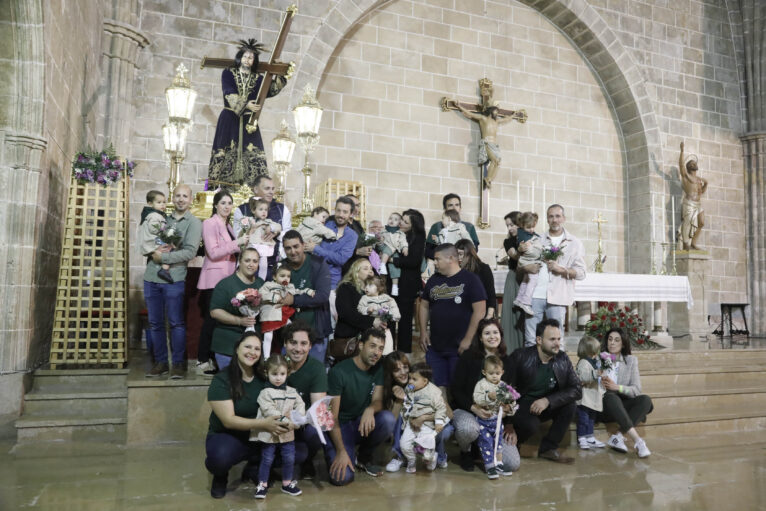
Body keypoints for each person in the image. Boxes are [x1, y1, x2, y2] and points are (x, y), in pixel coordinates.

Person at [204, 332, 293, 499]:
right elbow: (228, 421)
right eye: (248, 347)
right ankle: (220, 474)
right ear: (237, 349)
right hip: (229, 435)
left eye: (257, 348)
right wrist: (264, 424)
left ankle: (255, 466)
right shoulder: (222, 380)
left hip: (259, 436)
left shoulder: (264, 377)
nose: (252, 352)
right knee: (220, 458)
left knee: (298, 452)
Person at [208, 39, 287, 187]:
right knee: (222, 152)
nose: (247, 59)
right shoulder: (228, 73)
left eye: (251, 57)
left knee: (254, 155)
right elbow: (228, 92)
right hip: (229, 118)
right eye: (245, 56)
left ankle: (255, 190)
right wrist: (245, 105)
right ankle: (213, 190)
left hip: (249, 122)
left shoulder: (258, 79)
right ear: (240, 57)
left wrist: (279, 73)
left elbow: (270, 90)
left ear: (254, 61)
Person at [144, 184, 203, 378]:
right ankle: (160, 362)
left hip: (174, 279)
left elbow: (190, 252)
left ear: (190, 200)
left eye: (184, 196)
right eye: (177, 195)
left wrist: (164, 259)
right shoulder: (162, 217)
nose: (180, 199)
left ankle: (178, 364)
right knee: (155, 323)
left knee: (176, 322)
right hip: (151, 276)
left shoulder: (194, 223)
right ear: (172, 198)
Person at [324, 328, 396, 485]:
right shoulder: (339, 372)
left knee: (387, 419)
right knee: (342, 478)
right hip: (340, 427)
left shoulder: (378, 367)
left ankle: (364, 456)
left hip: (360, 424)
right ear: (361, 345)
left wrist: (370, 410)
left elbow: (377, 400)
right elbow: (331, 418)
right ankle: (336, 451)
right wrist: (341, 452)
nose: (376, 352)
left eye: (380, 348)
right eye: (372, 346)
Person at [505, 319, 582, 464]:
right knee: (531, 425)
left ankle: (548, 449)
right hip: (521, 406)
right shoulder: (520, 356)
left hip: (545, 405)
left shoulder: (562, 359)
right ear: (539, 340)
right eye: (552, 339)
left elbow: (576, 389)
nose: (557, 343)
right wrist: (508, 423)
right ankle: (514, 443)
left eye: (559, 339)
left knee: (570, 406)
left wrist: (548, 401)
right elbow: (505, 389)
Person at [450, 318, 520, 473]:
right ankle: (466, 452)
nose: (492, 336)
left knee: (512, 464)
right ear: (480, 338)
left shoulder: (508, 362)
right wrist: (474, 408)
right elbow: (456, 389)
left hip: (494, 417)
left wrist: (509, 421)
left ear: (501, 335)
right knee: (468, 429)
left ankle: (483, 450)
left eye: (495, 332)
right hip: (468, 409)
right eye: (487, 333)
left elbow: (512, 392)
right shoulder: (468, 357)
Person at [197, 190, 250, 375]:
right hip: (213, 279)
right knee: (211, 320)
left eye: (229, 203)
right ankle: (202, 360)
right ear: (216, 205)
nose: (227, 206)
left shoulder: (228, 226)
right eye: (223, 203)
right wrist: (238, 243)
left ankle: (215, 359)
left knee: (220, 322)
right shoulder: (210, 223)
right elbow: (212, 252)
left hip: (227, 279)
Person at [419, 244, 486, 389]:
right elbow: (424, 305)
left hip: (459, 347)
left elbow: (480, 311)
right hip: (436, 347)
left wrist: (468, 339)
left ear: (450, 258)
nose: (434, 263)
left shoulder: (471, 279)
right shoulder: (433, 280)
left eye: (437, 259)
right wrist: (423, 331)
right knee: (436, 388)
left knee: (458, 389)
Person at [519, 204, 586, 346]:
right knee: (531, 339)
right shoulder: (537, 239)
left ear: (564, 218)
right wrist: (527, 266)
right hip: (535, 294)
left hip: (558, 296)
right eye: (551, 216)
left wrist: (561, 270)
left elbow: (581, 273)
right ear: (547, 220)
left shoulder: (574, 243)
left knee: (557, 340)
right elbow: (522, 262)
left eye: (558, 216)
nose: (554, 220)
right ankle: (531, 368)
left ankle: (557, 368)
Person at [383, 352, 454, 472]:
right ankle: (400, 456)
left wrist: (423, 418)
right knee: (403, 413)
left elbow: (449, 414)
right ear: (390, 374)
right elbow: (392, 427)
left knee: (445, 431)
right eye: (396, 370)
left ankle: (435, 454)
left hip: (432, 425)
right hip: (411, 428)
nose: (403, 373)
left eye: (405, 367)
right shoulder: (390, 389)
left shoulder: (425, 382)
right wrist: (400, 400)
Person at [252, 354, 305, 499]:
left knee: (289, 458)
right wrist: (284, 420)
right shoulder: (265, 393)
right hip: (270, 433)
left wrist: (299, 416)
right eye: (274, 374)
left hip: (288, 433)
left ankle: (287, 483)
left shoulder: (291, 391)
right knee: (267, 458)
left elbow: (300, 403)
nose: (278, 378)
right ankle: (262, 484)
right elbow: (268, 409)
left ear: (287, 373)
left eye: (282, 374)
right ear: (266, 373)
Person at [282, 321, 328, 479]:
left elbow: (318, 409)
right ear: (285, 344)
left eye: (303, 343)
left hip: (303, 423)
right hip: (279, 422)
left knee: (317, 428)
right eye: (293, 342)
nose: (298, 348)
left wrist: (299, 420)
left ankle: (308, 458)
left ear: (310, 346)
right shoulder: (275, 365)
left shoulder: (316, 368)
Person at [599, 328, 653, 458]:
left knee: (646, 400)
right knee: (610, 396)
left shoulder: (631, 361)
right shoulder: (600, 359)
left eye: (617, 340)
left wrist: (618, 387)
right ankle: (638, 440)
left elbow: (636, 389)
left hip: (622, 405)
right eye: (610, 339)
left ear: (623, 344)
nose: (612, 343)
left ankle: (618, 436)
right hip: (604, 406)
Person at [281, 230, 332, 362]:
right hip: (289, 335)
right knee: (287, 375)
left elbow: (322, 296)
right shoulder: (281, 267)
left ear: (303, 245)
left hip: (315, 334)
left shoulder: (318, 264)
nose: (293, 251)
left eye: (296, 246)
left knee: (314, 375)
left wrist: (294, 300)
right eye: (288, 248)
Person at [209, 248, 264, 370]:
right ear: (240, 261)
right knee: (230, 384)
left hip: (253, 348)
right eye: (247, 260)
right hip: (228, 345)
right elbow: (215, 311)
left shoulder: (261, 284)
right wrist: (239, 321)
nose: (251, 264)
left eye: (255, 261)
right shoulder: (225, 284)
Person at [233, 175, 292, 279]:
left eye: (273, 189)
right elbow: (237, 238)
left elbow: (288, 235)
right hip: (248, 265)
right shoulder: (242, 210)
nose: (271, 192)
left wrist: (276, 232)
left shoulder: (282, 209)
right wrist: (251, 230)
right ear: (256, 189)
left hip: (274, 265)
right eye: (267, 188)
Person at [398, 362, 449, 473]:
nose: (410, 381)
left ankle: (431, 458)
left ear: (425, 381)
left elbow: (441, 408)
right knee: (404, 444)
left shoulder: (434, 392)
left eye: (414, 379)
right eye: (410, 378)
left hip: (427, 425)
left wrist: (439, 421)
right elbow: (407, 403)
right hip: (411, 423)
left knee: (425, 448)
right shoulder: (409, 389)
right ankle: (411, 461)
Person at [472, 355, 516, 479]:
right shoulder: (481, 384)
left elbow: (512, 399)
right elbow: (476, 398)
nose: (494, 376)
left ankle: (499, 463)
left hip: (497, 422)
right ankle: (490, 465)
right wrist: (488, 398)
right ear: (484, 372)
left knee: (499, 443)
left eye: (497, 373)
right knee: (486, 442)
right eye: (491, 373)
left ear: (502, 372)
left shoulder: (503, 386)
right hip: (484, 421)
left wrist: (509, 406)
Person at [332, 259, 385, 361]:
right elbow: (346, 314)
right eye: (365, 268)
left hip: (369, 340)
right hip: (349, 340)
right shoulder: (346, 287)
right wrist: (372, 321)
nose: (370, 271)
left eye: (371, 268)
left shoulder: (372, 290)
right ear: (356, 272)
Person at [389, 209, 426, 354]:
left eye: (405, 221)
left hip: (408, 283)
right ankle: (389, 351)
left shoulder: (418, 237)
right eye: (401, 220)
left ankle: (404, 353)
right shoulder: (396, 233)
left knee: (404, 320)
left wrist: (393, 260)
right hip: (393, 282)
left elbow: (413, 261)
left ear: (414, 225)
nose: (400, 223)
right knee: (390, 316)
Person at [258, 265, 314, 358]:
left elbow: (297, 291)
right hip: (271, 314)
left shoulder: (289, 286)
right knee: (268, 336)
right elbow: (260, 295)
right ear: (274, 277)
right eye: (282, 276)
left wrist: (307, 291)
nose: (286, 278)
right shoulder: (268, 285)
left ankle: (290, 353)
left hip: (283, 314)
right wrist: (273, 297)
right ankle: (266, 358)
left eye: (288, 276)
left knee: (292, 331)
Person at [306, 196, 358, 295]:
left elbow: (341, 259)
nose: (341, 215)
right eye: (338, 211)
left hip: (332, 280)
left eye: (345, 212)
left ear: (351, 214)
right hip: (312, 274)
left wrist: (316, 249)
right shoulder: (325, 224)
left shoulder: (352, 236)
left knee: (330, 309)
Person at [575, 335, 607, 450]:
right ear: (588, 350)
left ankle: (590, 436)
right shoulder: (583, 362)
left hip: (593, 397)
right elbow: (582, 377)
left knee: (591, 418)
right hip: (584, 398)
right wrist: (595, 374)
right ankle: (581, 437)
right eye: (594, 350)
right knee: (583, 418)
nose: (596, 353)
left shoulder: (594, 362)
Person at [500, 211, 525, 352]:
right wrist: (523, 249)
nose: (510, 228)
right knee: (512, 315)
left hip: (528, 278)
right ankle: (511, 349)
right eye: (508, 225)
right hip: (515, 278)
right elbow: (514, 256)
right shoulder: (508, 241)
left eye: (513, 224)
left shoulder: (531, 238)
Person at [425, 194, 479, 259]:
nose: (454, 208)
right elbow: (428, 251)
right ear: (445, 209)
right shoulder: (436, 226)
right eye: (450, 205)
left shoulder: (469, 227)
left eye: (457, 205)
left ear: (460, 208)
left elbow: (474, 250)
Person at [136, 190, 172, 283]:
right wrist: (165, 228)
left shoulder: (153, 214)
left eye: (164, 202)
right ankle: (164, 270)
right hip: (153, 241)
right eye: (159, 202)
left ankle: (162, 269)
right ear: (150, 203)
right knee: (169, 248)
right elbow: (154, 229)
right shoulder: (154, 215)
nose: (162, 205)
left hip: (151, 240)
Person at [241, 197, 281, 280]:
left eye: (266, 210)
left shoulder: (268, 222)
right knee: (248, 263)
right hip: (252, 245)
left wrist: (271, 228)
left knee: (263, 265)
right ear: (253, 210)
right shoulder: (250, 220)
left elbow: (278, 226)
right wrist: (250, 227)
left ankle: (261, 281)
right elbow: (243, 230)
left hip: (263, 246)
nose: (264, 212)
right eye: (261, 209)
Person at [455, 239, 497, 319]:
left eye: (461, 254)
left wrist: (489, 316)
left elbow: (491, 294)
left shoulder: (483, 268)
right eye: (456, 255)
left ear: (469, 254)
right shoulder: (456, 270)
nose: (459, 258)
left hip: (481, 314)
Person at [678, 141, 708, 250]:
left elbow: (701, 192)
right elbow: (681, 165)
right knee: (687, 223)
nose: (693, 164)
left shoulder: (699, 179)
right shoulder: (686, 177)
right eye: (691, 164)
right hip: (689, 203)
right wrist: (682, 151)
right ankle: (686, 244)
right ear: (688, 167)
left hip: (698, 203)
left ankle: (693, 243)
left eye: (694, 163)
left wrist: (706, 184)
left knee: (701, 222)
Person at [513, 211, 543, 317]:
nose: (531, 230)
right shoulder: (522, 234)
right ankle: (526, 302)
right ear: (522, 225)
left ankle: (519, 299)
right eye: (528, 227)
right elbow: (525, 248)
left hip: (526, 261)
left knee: (526, 280)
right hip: (528, 261)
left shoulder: (528, 233)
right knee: (533, 281)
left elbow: (535, 236)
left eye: (533, 227)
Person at [377, 215, 408, 296]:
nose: (392, 220)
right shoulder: (383, 231)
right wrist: (379, 242)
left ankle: (395, 287)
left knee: (395, 269)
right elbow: (378, 243)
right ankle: (382, 265)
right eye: (390, 218)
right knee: (388, 249)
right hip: (385, 248)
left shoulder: (400, 233)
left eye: (395, 219)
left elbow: (403, 241)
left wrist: (405, 248)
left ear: (399, 223)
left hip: (395, 252)